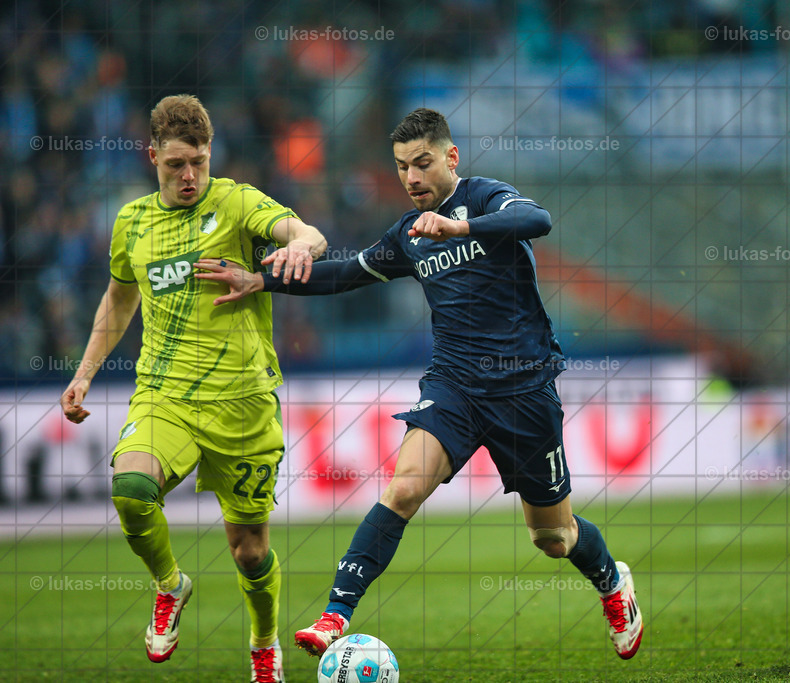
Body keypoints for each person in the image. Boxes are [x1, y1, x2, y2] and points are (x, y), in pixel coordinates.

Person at [195, 108, 644, 660]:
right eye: (402, 166)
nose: (411, 178)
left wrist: (460, 227)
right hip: (454, 387)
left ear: (450, 159)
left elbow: (538, 220)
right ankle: (335, 616)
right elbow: (346, 272)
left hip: (524, 391)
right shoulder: (407, 235)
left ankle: (610, 580)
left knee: (553, 538)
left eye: (422, 163)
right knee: (403, 489)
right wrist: (260, 279)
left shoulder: (485, 198)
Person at [60, 94, 327, 683]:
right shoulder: (132, 222)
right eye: (176, 164)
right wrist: (83, 373)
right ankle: (170, 585)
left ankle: (263, 646)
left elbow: (305, 231)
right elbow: (119, 298)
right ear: (152, 156)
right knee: (131, 486)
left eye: (199, 162)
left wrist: (298, 248)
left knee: (249, 551)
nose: (189, 176)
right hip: (166, 394)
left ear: (211, 156)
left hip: (243, 401)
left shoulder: (235, 202)